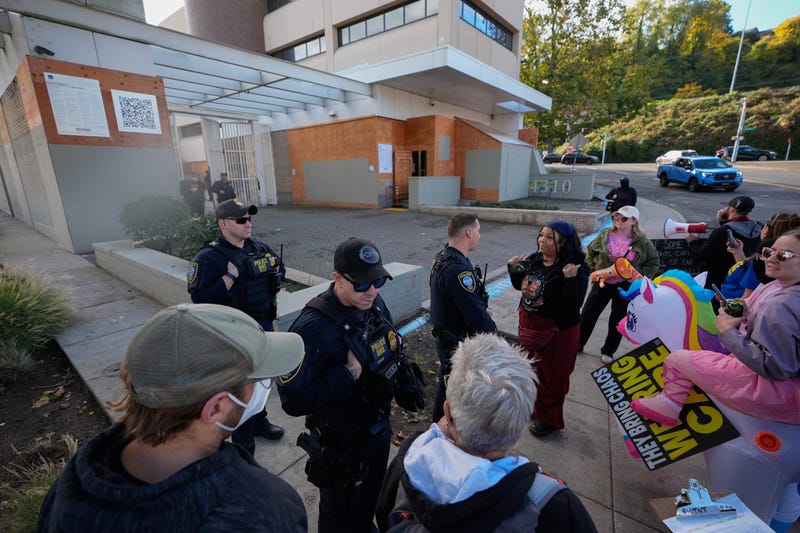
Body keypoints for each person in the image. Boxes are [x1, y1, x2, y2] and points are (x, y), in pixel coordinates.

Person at [37, 303, 307, 532]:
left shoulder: (68, 491)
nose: (266, 384)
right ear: (216, 408)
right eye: (259, 379)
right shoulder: (266, 510)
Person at [375, 334, 598, 533]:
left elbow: (383, 514)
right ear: (520, 422)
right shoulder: (554, 506)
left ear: (448, 413)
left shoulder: (411, 457)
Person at [277, 238, 410, 533]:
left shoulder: (373, 303)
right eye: (362, 284)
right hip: (343, 444)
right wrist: (347, 372)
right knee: (339, 517)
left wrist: (403, 376)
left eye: (378, 281)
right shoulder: (311, 328)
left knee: (368, 505)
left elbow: (388, 342)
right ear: (337, 279)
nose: (372, 291)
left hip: (377, 429)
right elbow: (292, 400)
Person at [632, 230, 800, 427]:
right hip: (777, 385)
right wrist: (741, 308)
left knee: (677, 359)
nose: (771, 259)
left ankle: (668, 405)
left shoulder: (782, 305)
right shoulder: (778, 286)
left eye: (784, 256)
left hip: (770, 389)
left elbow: (775, 367)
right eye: (769, 252)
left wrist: (727, 331)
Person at [187, 199, 286, 455]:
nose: (248, 224)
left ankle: (259, 422)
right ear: (223, 224)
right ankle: (243, 445)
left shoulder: (258, 247)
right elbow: (199, 299)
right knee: (240, 387)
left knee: (262, 379)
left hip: (262, 323)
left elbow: (278, 266)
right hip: (233, 333)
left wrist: (276, 272)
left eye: (249, 219)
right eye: (241, 220)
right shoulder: (209, 258)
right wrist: (229, 277)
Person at [507, 220, 589, 437]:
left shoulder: (573, 269)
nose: (542, 240)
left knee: (553, 377)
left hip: (557, 334)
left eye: (549, 237)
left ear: (563, 243)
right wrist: (513, 269)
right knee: (532, 371)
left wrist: (570, 280)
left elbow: (573, 304)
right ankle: (536, 408)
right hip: (530, 329)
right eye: (541, 235)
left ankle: (550, 419)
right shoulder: (534, 260)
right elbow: (521, 286)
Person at [429, 213, 497, 422]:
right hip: (456, 344)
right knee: (451, 394)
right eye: (478, 231)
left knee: (447, 387)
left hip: (447, 338)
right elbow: (478, 320)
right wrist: (492, 333)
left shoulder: (443, 257)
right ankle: (441, 432)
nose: (479, 235)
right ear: (468, 232)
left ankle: (439, 429)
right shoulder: (458, 270)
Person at [580, 205, 659, 364]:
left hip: (625, 287)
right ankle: (577, 344)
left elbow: (653, 262)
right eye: (616, 217)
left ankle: (608, 351)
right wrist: (595, 269)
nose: (619, 221)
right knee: (588, 314)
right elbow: (591, 251)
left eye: (624, 218)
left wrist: (638, 276)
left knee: (617, 320)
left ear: (634, 221)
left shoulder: (642, 242)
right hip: (602, 282)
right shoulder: (605, 234)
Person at [687, 195, 763, 293]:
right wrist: (723, 222)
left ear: (731, 209)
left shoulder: (722, 232)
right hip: (746, 283)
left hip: (719, 285)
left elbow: (702, 255)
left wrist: (693, 242)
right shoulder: (760, 228)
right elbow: (739, 227)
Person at [722, 212, 800, 299]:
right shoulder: (764, 259)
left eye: (783, 256)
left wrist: (729, 307)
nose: (771, 258)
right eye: (767, 253)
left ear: (766, 230)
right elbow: (748, 270)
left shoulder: (762, 262)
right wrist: (738, 252)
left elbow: (748, 298)